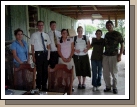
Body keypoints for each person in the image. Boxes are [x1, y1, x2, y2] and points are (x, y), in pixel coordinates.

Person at [102, 20, 124, 94]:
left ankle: (114, 87)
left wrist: (120, 55)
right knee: (105, 73)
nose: (108, 26)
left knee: (114, 72)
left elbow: (122, 45)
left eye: (110, 25)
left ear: (112, 26)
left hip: (114, 56)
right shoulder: (106, 34)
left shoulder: (117, 34)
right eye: (107, 25)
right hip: (106, 56)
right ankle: (108, 87)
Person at [30, 20, 51, 91]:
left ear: (43, 26)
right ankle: (38, 86)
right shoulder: (34, 35)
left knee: (45, 71)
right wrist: (33, 57)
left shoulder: (46, 35)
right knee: (39, 71)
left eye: (42, 25)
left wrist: (48, 56)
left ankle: (44, 85)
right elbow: (32, 47)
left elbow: (48, 46)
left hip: (45, 54)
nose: (41, 27)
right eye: (39, 25)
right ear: (37, 26)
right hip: (38, 54)